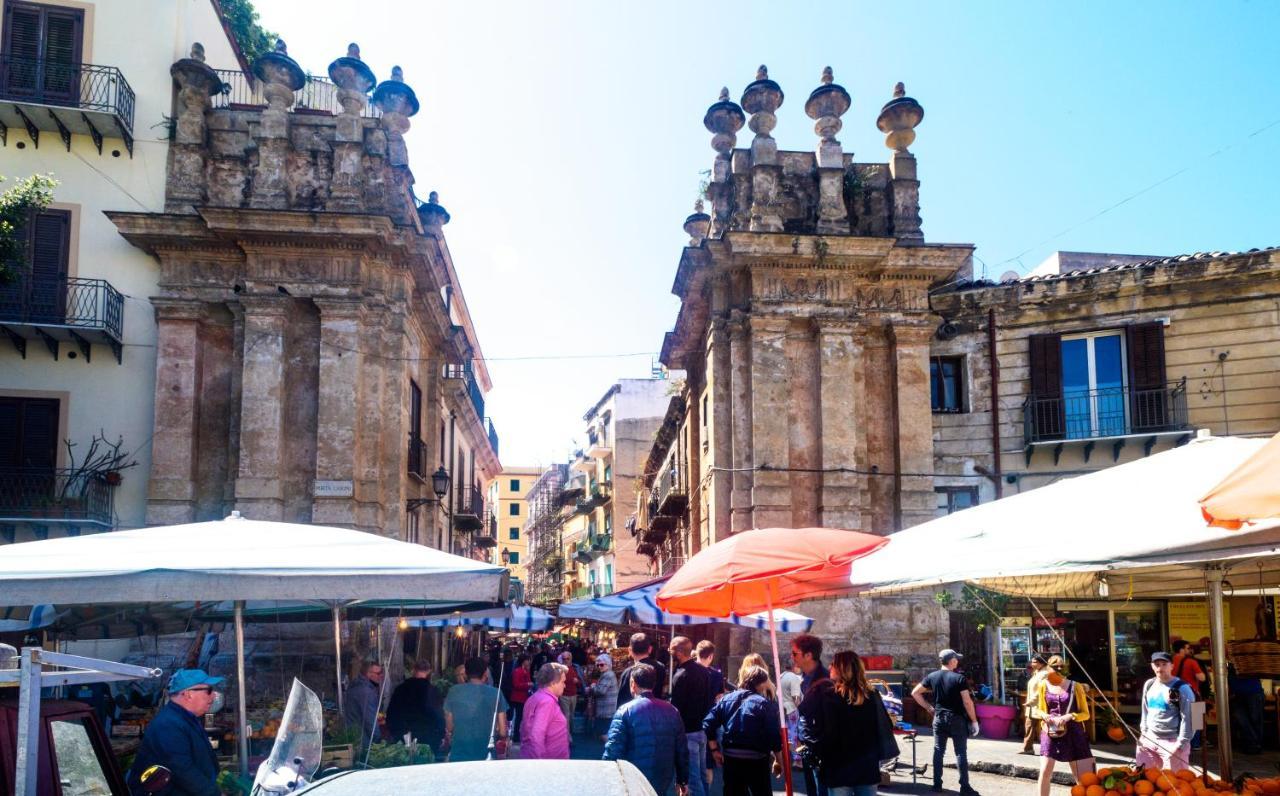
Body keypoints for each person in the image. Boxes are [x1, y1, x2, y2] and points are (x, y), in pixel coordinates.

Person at [798, 651, 891, 796]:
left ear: (840, 669)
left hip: (837, 767)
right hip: (866, 767)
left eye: (833, 664)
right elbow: (885, 727)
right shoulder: (872, 695)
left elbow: (808, 721)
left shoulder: (828, 695)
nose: (829, 667)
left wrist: (813, 746)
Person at [127, 669, 224, 796]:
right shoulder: (168, 724)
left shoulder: (185, 718)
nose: (213, 696)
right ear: (188, 694)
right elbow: (182, 769)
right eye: (209, 691)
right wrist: (213, 793)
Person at [603, 663, 690, 796]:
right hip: (662, 776)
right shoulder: (672, 711)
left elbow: (613, 750)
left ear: (633, 683)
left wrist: (608, 778)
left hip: (634, 777)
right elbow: (681, 749)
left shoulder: (625, 711)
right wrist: (682, 780)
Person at [704, 664, 783, 796]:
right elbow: (773, 735)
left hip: (731, 759)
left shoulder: (726, 699)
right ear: (762, 684)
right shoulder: (764, 704)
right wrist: (779, 759)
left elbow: (708, 723)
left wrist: (714, 750)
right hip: (756, 760)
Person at [911, 648, 980, 796]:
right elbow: (967, 702)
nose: (958, 661)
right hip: (956, 718)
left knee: (938, 751)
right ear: (952, 661)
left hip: (939, 718)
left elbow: (915, 693)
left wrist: (929, 708)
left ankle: (937, 784)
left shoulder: (932, 676)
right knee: (960, 752)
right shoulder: (959, 678)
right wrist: (974, 721)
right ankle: (965, 787)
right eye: (957, 659)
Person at [1030, 656, 1093, 796]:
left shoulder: (1075, 686)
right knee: (1045, 770)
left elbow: (1085, 714)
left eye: (1061, 666)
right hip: (1050, 732)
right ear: (1048, 668)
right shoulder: (1043, 686)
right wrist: (1044, 715)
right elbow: (1039, 709)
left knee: (1081, 776)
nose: (1059, 669)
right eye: (1054, 666)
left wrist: (1070, 716)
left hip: (1073, 732)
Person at [670, 636, 716, 796]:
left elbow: (676, 709)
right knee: (701, 776)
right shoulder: (704, 672)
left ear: (680, 652)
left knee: (694, 779)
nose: (669, 651)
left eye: (672, 649)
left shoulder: (681, 675)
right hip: (702, 729)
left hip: (688, 732)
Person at [1136, 651, 1195, 772]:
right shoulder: (1149, 684)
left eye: (1164, 664)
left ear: (1172, 666)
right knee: (1145, 780)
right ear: (1152, 666)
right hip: (1149, 740)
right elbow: (1145, 710)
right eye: (1157, 664)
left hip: (1172, 742)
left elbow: (1189, 718)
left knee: (1176, 784)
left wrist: (1180, 745)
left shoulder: (1182, 688)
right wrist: (1144, 734)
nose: (1160, 667)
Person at [444, 657, 509, 762]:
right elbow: (502, 731)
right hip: (486, 755)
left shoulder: (453, 691)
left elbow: (449, 727)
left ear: (465, 673)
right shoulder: (496, 693)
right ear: (485, 674)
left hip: (459, 753)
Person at [791, 634, 828, 796]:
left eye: (795, 653)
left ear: (808, 655)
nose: (792, 657)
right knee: (811, 789)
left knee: (821, 789)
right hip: (807, 743)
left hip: (820, 745)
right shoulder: (804, 678)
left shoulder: (825, 680)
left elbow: (825, 716)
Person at [385, 661, 445, 754]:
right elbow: (438, 715)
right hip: (428, 737)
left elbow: (392, 713)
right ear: (429, 671)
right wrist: (441, 735)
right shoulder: (433, 691)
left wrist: (394, 732)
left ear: (413, 670)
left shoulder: (401, 689)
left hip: (404, 736)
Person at [521, 662, 571, 759]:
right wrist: (542, 764)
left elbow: (523, 729)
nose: (564, 686)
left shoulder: (534, 697)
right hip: (549, 764)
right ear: (553, 683)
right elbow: (536, 735)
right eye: (562, 682)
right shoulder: (547, 702)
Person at [1170, 640, 1206, 749]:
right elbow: (1201, 678)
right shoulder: (1191, 661)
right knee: (1196, 719)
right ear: (1181, 649)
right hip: (1192, 692)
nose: (1189, 650)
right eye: (1187, 648)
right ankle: (1195, 743)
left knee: (1178, 718)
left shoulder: (1169, 661)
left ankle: (1179, 742)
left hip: (1173, 693)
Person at [343, 660, 385, 752]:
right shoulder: (366, 692)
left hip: (353, 736)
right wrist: (378, 740)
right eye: (378, 673)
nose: (381, 676)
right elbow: (370, 720)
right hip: (363, 741)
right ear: (368, 674)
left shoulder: (355, 685)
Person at [1227, 657, 1264, 756]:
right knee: (1243, 720)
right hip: (1238, 695)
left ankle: (1254, 745)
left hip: (1253, 693)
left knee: (1254, 719)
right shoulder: (1229, 665)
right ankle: (1253, 744)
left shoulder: (1250, 663)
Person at [618, 633, 668, 707]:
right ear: (650, 649)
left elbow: (622, 701)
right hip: (656, 711)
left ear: (630, 650)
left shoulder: (628, 672)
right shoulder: (661, 667)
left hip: (634, 714)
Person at [1021, 654, 1050, 754]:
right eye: (1032, 662)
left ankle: (1049, 749)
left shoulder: (1045, 673)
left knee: (1046, 728)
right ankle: (1027, 748)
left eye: (1034, 662)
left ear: (1041, 663)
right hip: (1032, 706)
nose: (1032, 664)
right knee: (1029, 726)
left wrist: (1032, 701)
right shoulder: (1036, 672)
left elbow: (1041, 690)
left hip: (1040, 705)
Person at [779, 658, 804, 768]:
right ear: (795, 666)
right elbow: (796, 697)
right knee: (794, 735)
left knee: (787, 734)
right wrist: (802, 709)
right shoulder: (793, 678)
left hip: (782, 708)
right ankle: (797, 760)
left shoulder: (782, 676)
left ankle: (786, 757)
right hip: (792, 709)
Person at [590, 653, 619, 739]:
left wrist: (592, 687)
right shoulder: (607, 674)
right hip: (606, 709)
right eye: (597, 665)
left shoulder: (608, 675)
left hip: (606, 710)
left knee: (604, 733)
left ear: (608, 664)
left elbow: (601, 691)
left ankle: (611, 750)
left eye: (601, 665)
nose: (599, 667)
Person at [557, 651, 582, 733]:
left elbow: (580, 682)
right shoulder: (560, 670)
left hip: (573, 695)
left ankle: (569, 733)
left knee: (571, 716)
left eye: (567, 659)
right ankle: (567, 737)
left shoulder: (575, 668)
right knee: (566, 716)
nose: (566, 660)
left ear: (571, 659)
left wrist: (577, 681)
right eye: (564, 659)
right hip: (564, 696)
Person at [510, 654, 533, 741]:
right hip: (518, 697)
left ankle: (519, 734)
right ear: (523, 661)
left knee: (522, 717)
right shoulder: (517, 671)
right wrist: (527, 684)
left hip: (524, 697)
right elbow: (516, 685)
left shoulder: (526, 671)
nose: (529, 662)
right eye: (528, 660)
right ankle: (516, 735)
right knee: (519, 717)